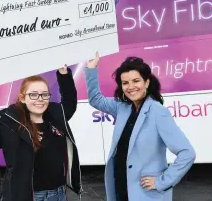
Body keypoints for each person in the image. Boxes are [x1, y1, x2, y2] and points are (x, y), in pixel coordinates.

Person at [0, 65, 82, 201]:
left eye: (45, 94)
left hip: (59, 195)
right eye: (33, 94)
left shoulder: (56, 116)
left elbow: (70, 102)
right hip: (29, 197)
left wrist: (63, 73)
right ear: (22, 98)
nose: (40, 99)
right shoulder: (9, 125)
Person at [84, 52, 196, 201]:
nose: (131, 87)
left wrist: (163, 181)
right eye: (125, 83)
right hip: (121, 188)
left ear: (147, 82)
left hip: (146, 194)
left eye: (136, 81)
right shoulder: (121, 107)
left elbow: (187, 152)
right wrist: (91, 68)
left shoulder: (158, 112)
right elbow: (96, 99)